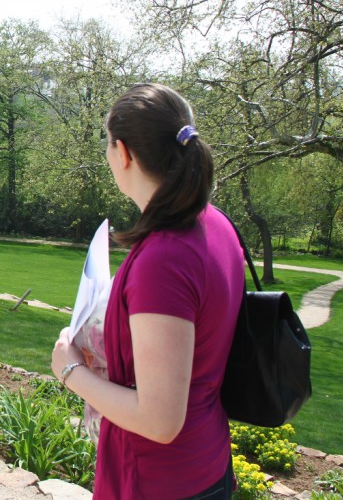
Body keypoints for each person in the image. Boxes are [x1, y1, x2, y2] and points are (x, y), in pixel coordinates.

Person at [52, 83, 244, 499]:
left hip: (158, 481)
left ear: (123, 153)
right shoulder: (216, 224)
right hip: (206, 464)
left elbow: (160, 421)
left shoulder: (164, 259)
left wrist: (71, 372)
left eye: (107, 146)